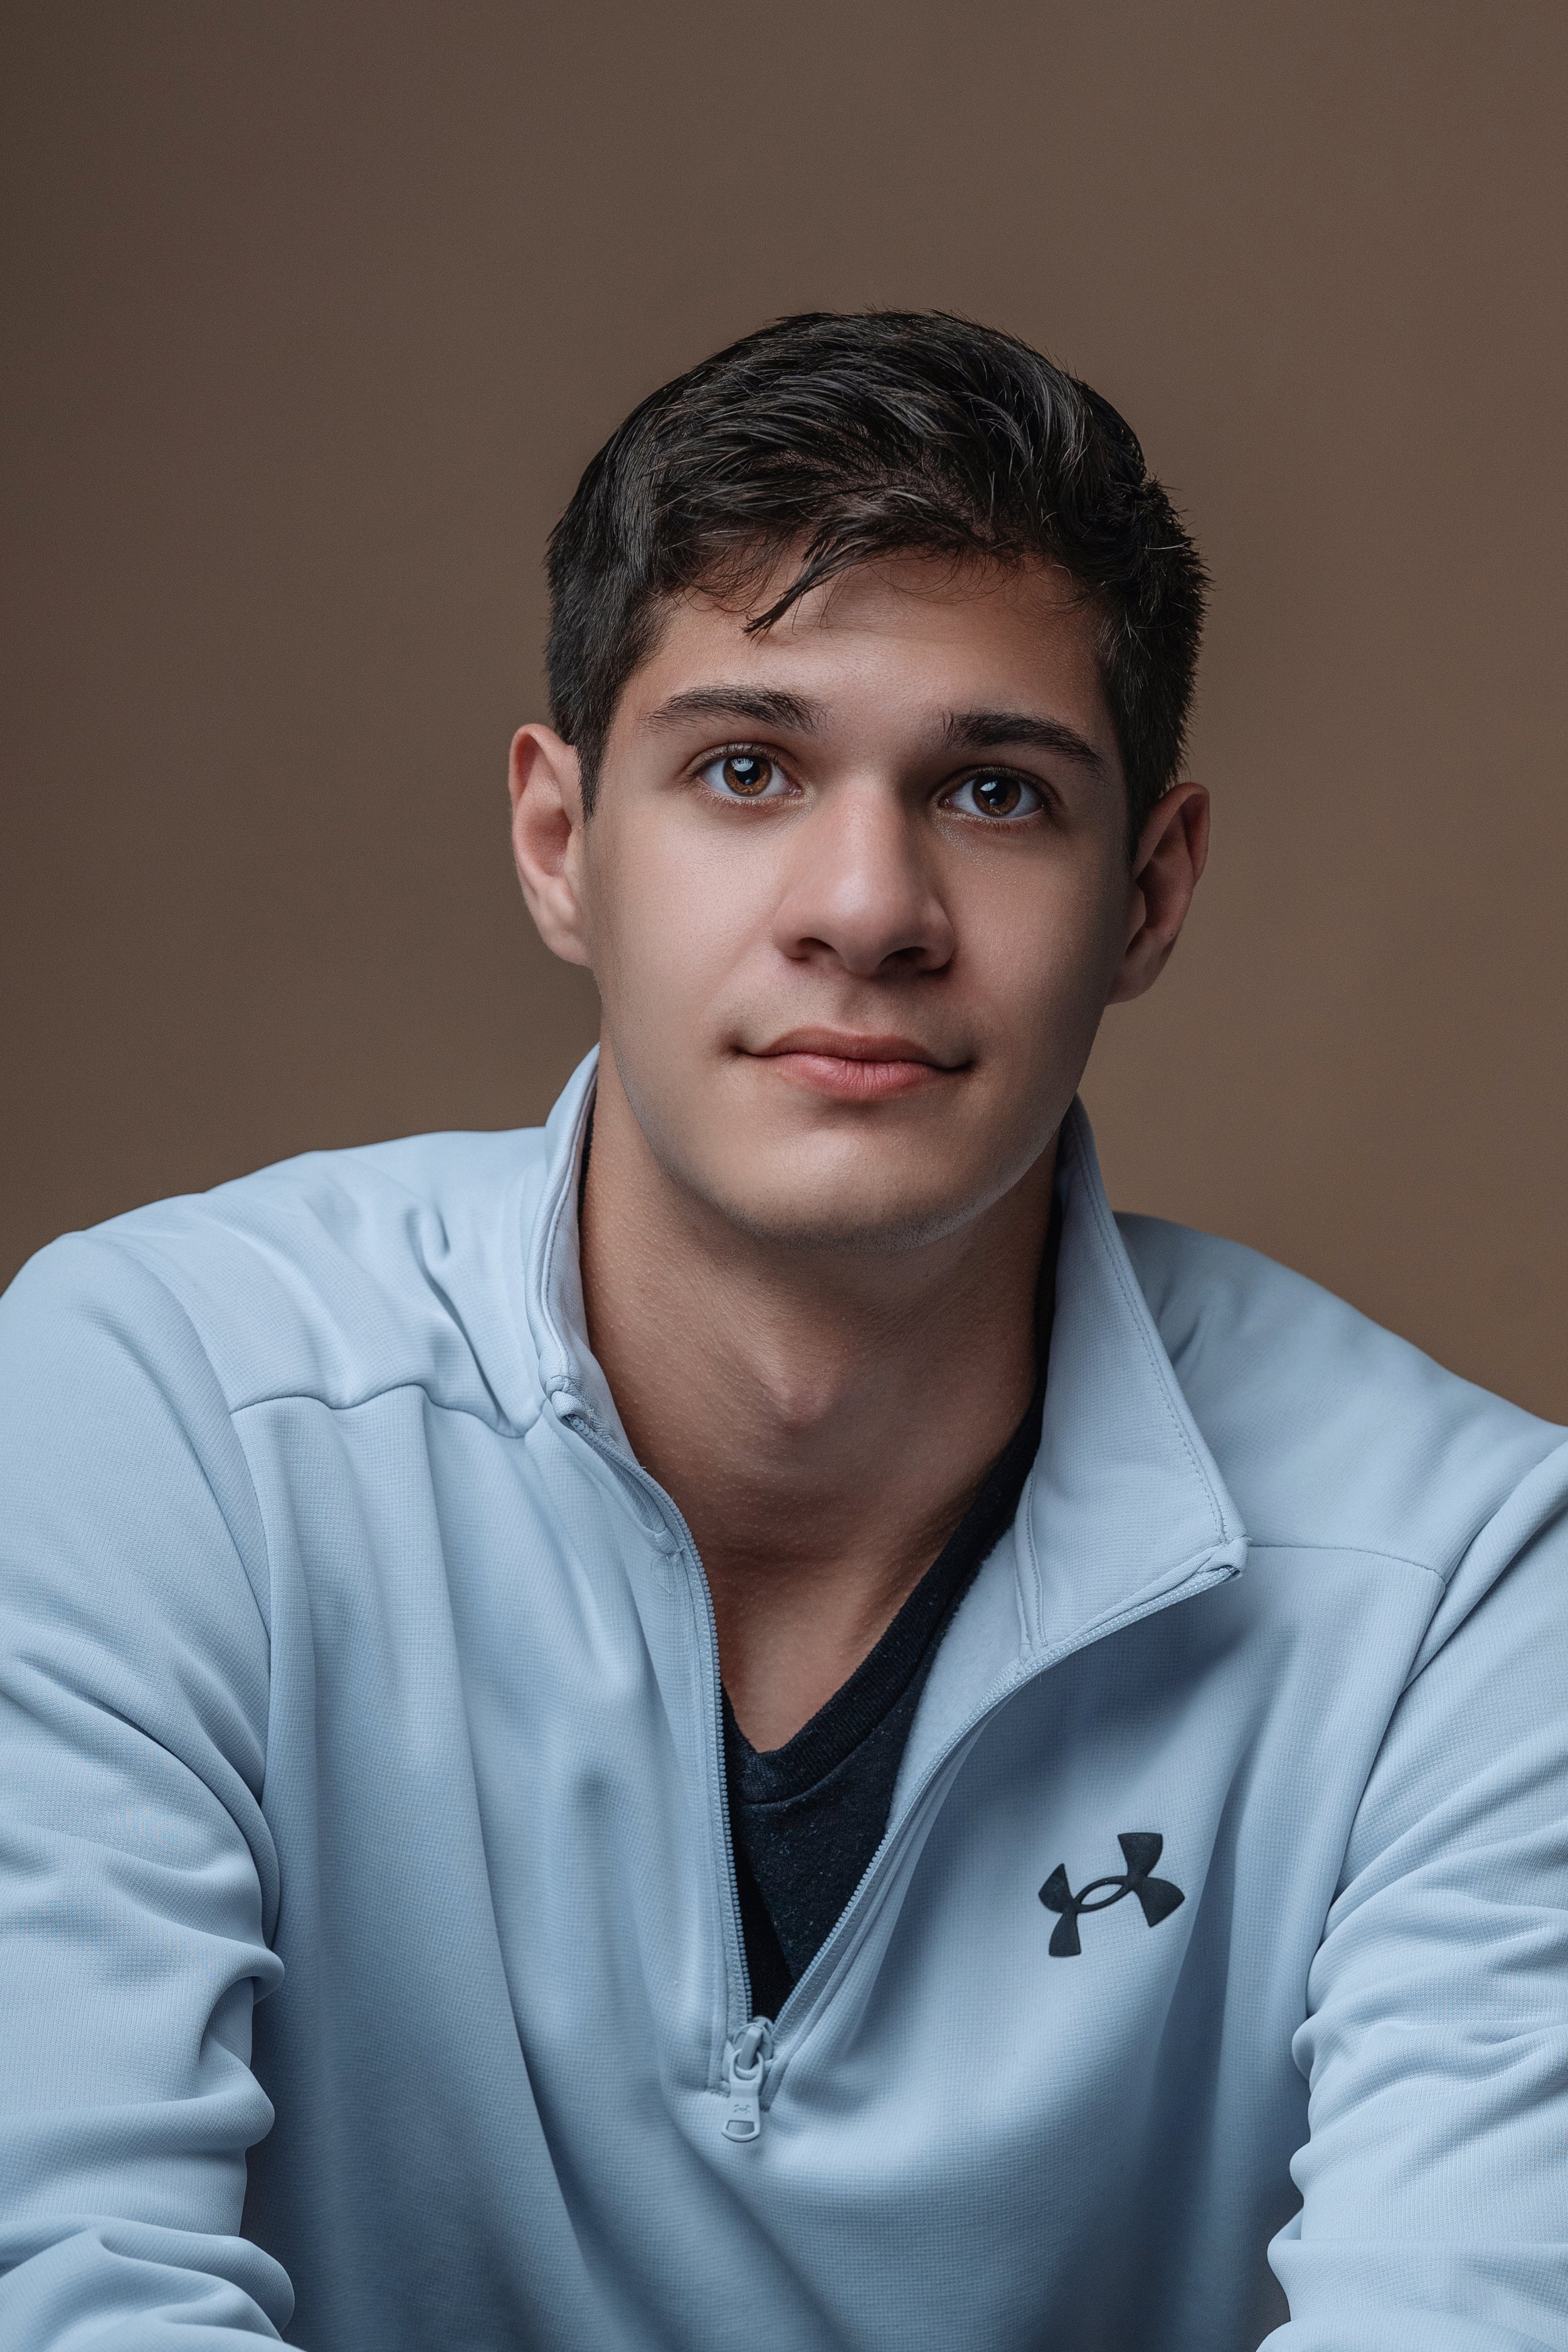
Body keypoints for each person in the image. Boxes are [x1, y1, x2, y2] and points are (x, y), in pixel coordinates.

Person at [1, 311, 1564, 2352]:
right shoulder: (160, 1408)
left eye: (993, 792)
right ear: (563, 842)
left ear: (1153, 892)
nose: (863, 903)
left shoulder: (1466, 1587)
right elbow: (65, 2286)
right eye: (744, 768)